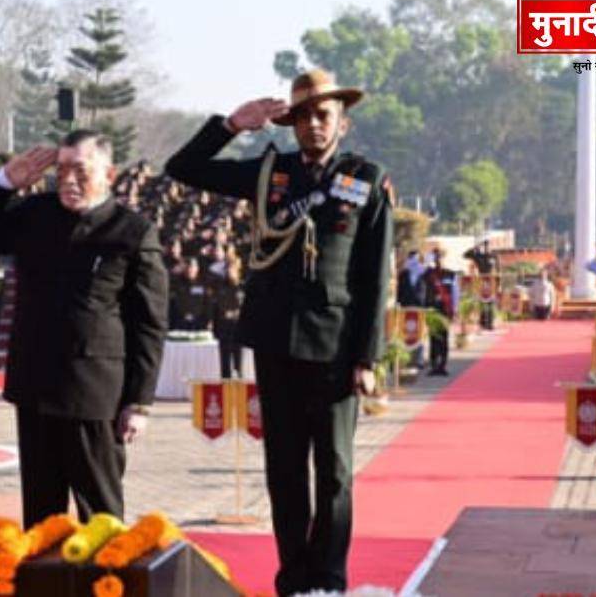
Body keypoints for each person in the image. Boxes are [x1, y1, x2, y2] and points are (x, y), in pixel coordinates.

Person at [164, 69, 393, 595]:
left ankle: (328, 579)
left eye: (323, 115)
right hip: (275, 340)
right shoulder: (272, 172)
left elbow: (373, 276)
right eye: (303, 116)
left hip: (334, 346)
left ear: (342, 123)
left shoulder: (366, 178)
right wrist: (231, 126)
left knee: (334, 470)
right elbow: (183, 168)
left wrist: (367, 357)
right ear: (291, 124)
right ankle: (293, 578)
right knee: (284, 468)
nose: (313, 125)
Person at [0, 130, 168, 529]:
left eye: (80, 171)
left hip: (94, 390)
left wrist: (139, 401)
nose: (68, 180)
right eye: (61, 170)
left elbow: (149, 323)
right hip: (35, 382)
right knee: (41, 514)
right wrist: (3, 183)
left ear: (109, 174)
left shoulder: (132, 232)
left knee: (100, 512)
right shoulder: (36, 214)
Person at [423, 248, 457, 375]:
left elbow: (455, 293)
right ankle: (434, 365)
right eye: (436, 258)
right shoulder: (428, 274)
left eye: (440, 258)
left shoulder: (450, 274)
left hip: (445, 311)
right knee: (433, 339)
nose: (439, 261)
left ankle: (442, 365)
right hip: (432, 311)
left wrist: (454, 310)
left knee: (444, 338)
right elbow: (423, 290)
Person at [210, 257, 244, 379]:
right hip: (224, 328)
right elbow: (216, 308)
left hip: (238, 327)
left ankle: (239, 380)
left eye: (232, 269)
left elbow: (247, 308)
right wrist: (214, 328)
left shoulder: (243, 287)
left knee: (238, 360)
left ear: (237, 270)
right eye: (228, 269)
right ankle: (225, 382)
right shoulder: (220, 287)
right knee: (224, 360)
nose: (230, 272)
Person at [463, 240, 498, 330]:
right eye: (485, 246)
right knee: (482, 303)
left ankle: (489, 323)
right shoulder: (478, 256)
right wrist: (476, 247)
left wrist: (496, 282)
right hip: (481, 279)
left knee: (490, 303)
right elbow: (465, 255)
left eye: (488, 246)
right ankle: (482, 322)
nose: (486, 248)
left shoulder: (493, 256)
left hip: (490, 280)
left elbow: (496, 269)